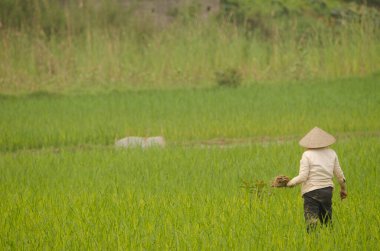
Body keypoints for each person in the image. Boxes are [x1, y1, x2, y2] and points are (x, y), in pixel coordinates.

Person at [287, 127, 347, 232]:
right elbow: (340, 176)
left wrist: (290, 183)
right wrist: (343, 189)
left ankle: (313, 244)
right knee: (327, 221)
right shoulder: (332, 153)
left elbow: (303, 176)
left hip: (311, 192)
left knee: (311, 223)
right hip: (327, 191)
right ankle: (330, 241)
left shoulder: (307, 155)